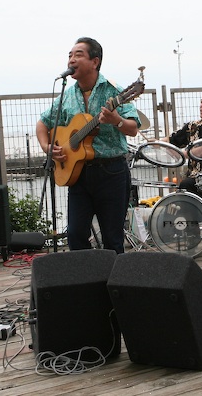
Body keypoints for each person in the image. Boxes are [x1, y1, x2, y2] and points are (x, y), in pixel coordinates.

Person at [36, 37, 140, 254]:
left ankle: (113, 276)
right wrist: (48, 148)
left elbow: (132, 128)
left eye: (78, 55)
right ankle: (87, 274)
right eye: (69, 55)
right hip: (78, 174)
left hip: (111, 172)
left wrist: (116, 120)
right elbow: (43, 123)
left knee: (113, 238)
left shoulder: (114, 91)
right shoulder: (67, 95)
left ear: (95, 61)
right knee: (75, 235)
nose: (71, 59)